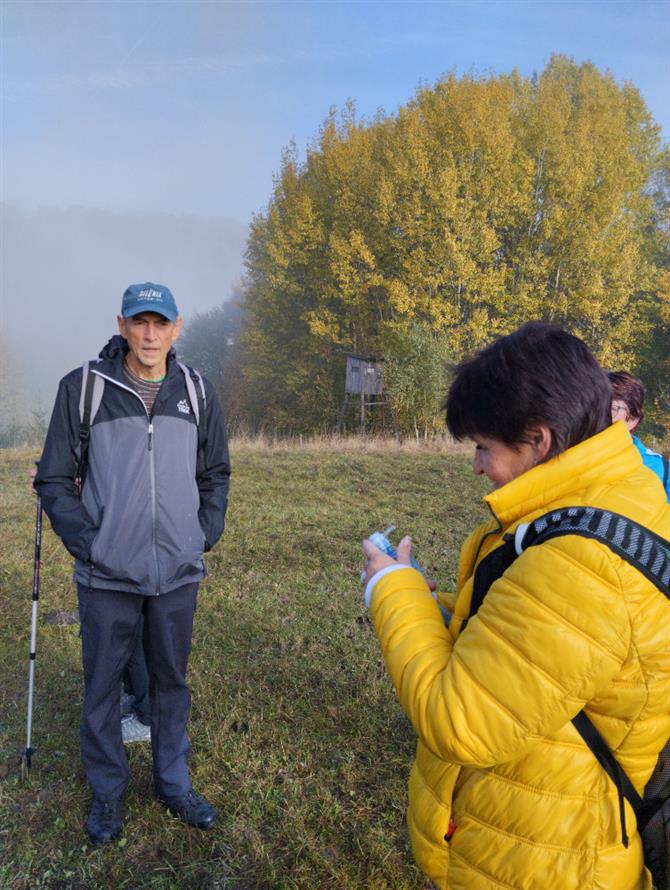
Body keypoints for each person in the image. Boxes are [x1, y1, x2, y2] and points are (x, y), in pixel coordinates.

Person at [362, 322, 670, 889]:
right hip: (541, 825)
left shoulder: (584, 564)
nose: (477, 466)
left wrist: (391, 590)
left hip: (544, 858)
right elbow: (529, 633)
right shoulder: (617, 494)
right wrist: (436, 604)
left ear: (539, 440)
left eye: (485, 447)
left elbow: (460, 721)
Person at [35, 282, 231, 845]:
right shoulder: (84, 389)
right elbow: (53, 477)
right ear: (121, 325)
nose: (150, 335)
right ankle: (107, 795)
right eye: (139, 323)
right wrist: (90, 543)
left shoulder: (197, 391)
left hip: (176, 571)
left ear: (177, 327)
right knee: (101, 687)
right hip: (107, 574)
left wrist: (202, 532)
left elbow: (216, 472)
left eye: (160, 323)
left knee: (170, 681)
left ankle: (173, 783)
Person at [608, 370, 670, 500]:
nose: (600, 417)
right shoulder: (567, 460)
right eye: (595, 408)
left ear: (633, 420)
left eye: (612, 409)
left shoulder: (661, 472)